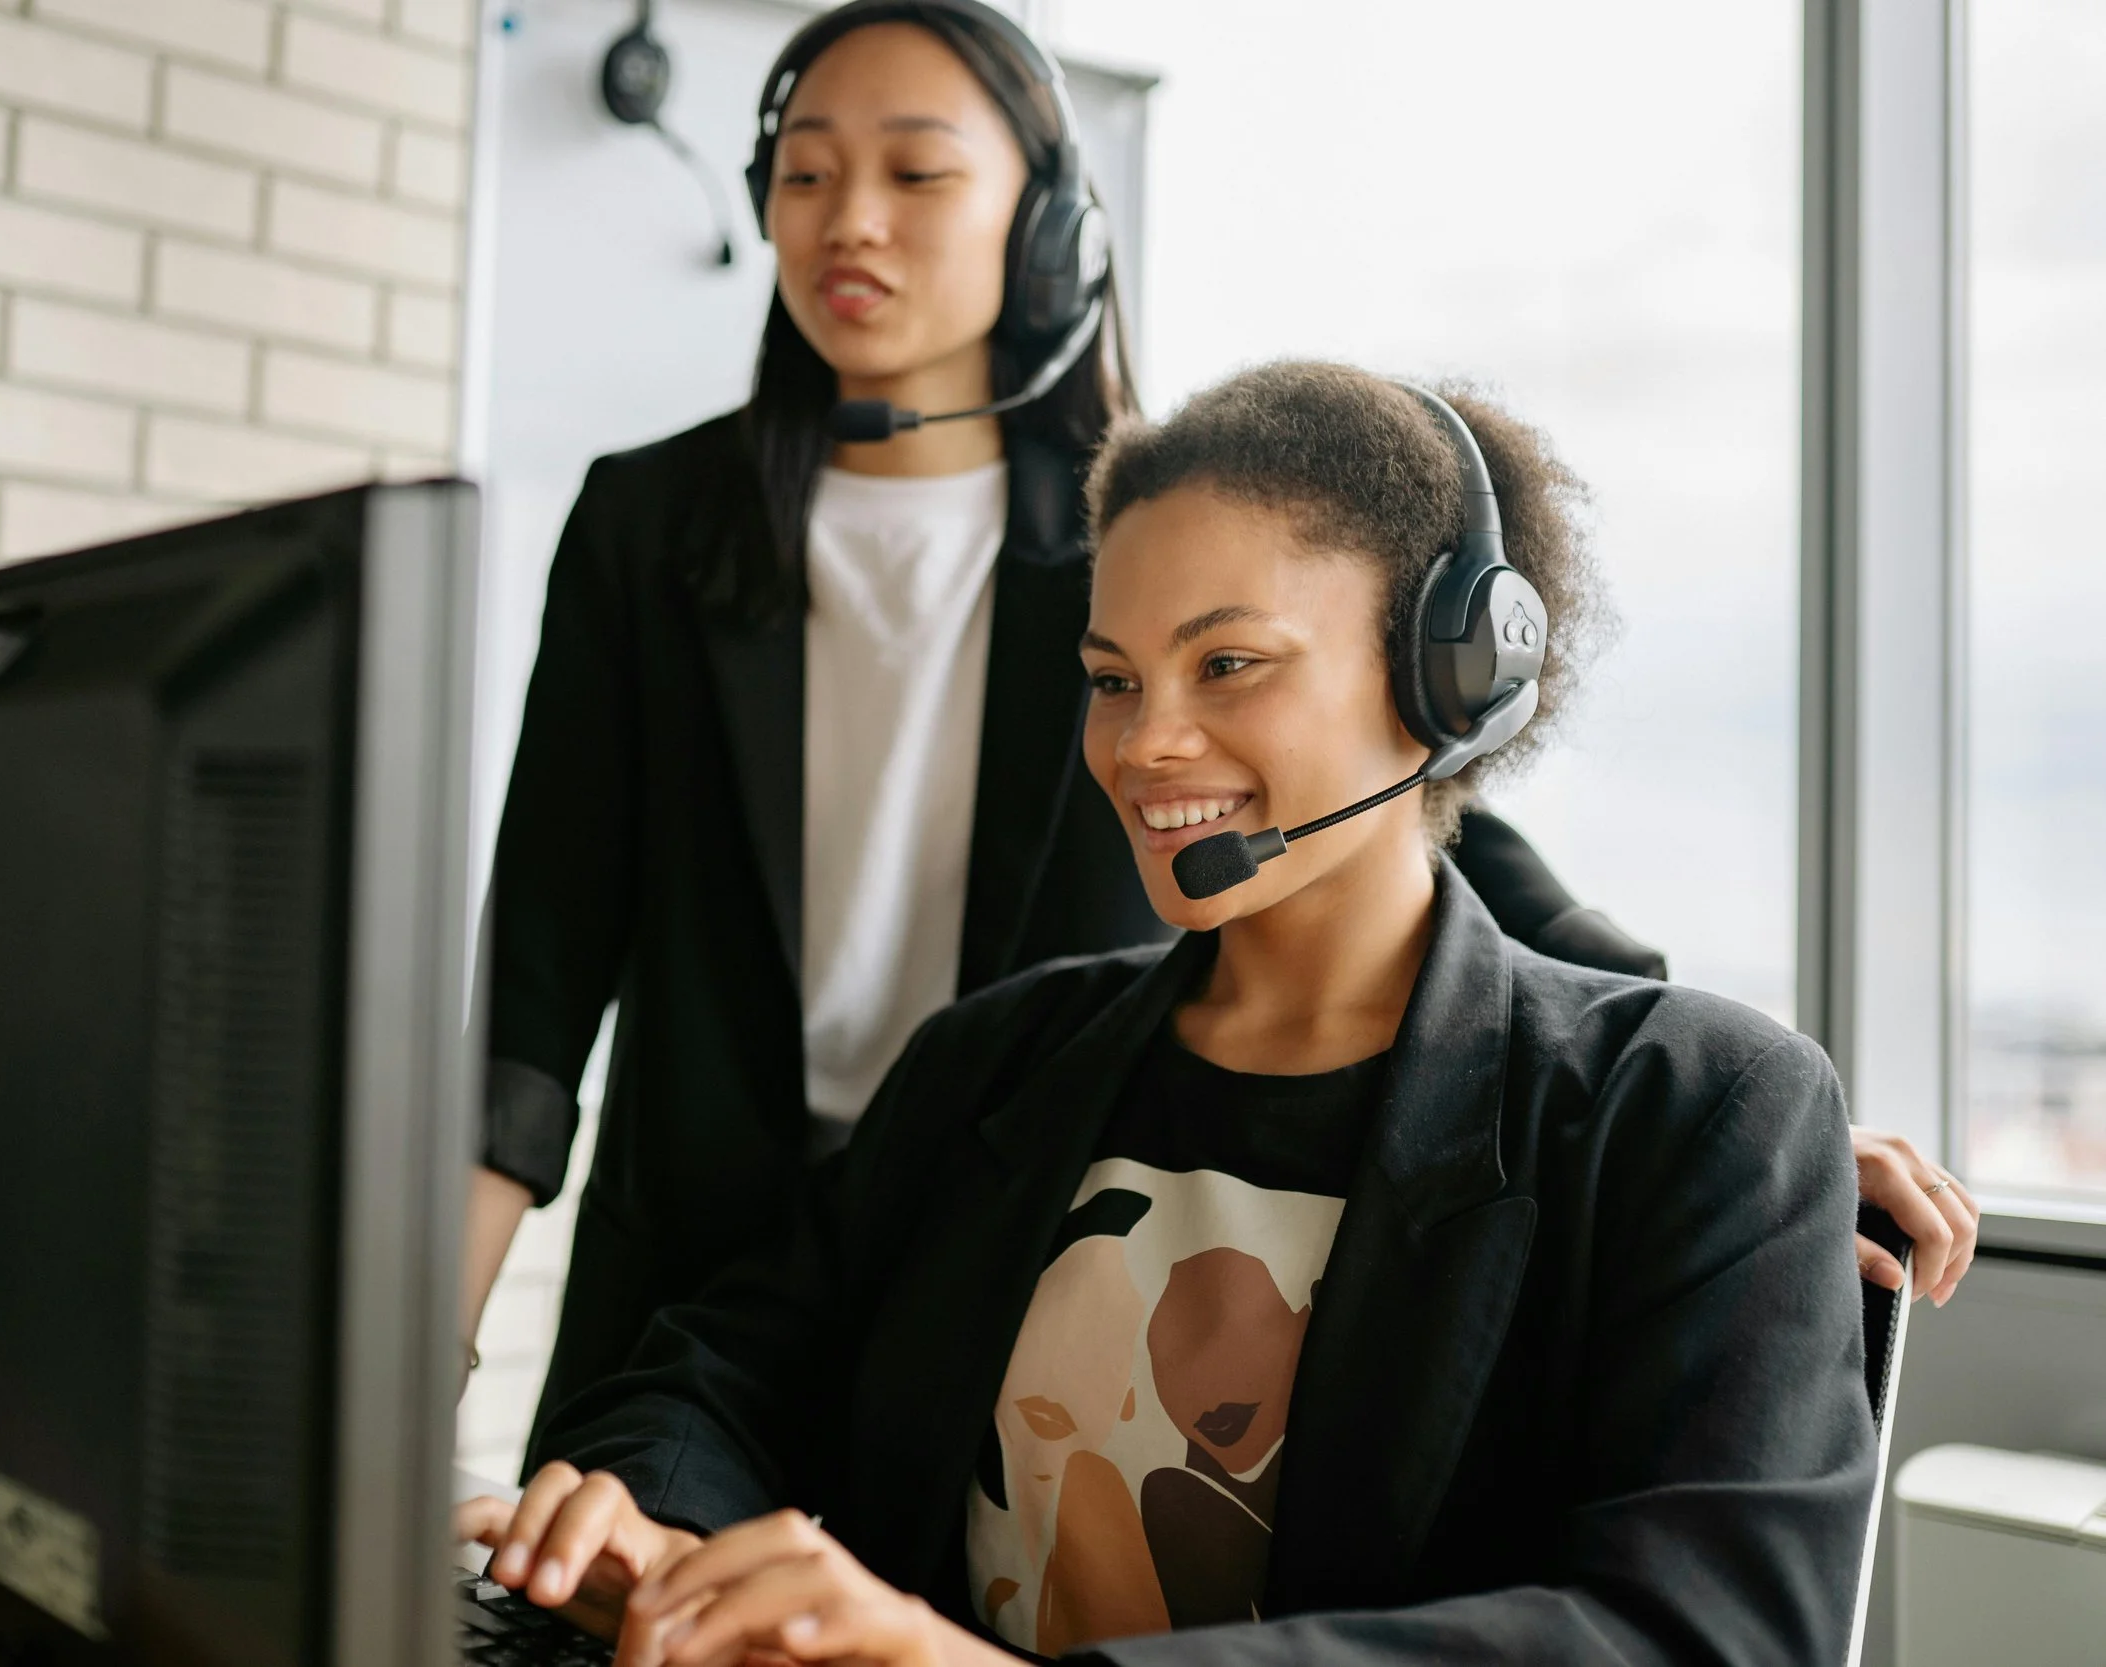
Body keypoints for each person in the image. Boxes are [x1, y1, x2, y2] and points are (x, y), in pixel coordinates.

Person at [468, 0, 1978, 1451]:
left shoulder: (1145, 532)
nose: (848, 219)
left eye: (917, 170)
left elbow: (1409, 809)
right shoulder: (649, 521)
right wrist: (432, 1333)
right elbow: (538, 970)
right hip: (705, 1278)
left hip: (1008, 1235)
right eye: (802, 174)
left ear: (1056, 226)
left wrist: (1702, 1135)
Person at [459, 363, 1879, 1664]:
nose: (1145, 744)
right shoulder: (995, 1061)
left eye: (1229, 665)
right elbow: (722, 1366)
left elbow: (1705, 1633)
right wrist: (645, 1518)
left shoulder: (1695, 1110)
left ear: (1447, 680)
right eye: (1112, 679)